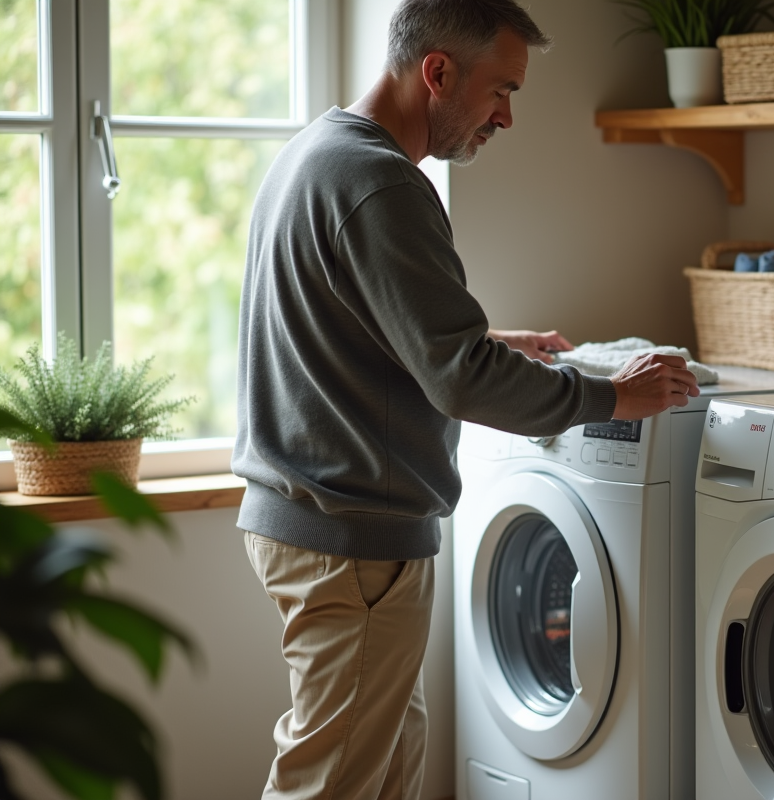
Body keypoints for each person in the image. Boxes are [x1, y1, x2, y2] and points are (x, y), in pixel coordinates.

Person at [231, 1, 700, 798]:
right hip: (352, 537)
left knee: (384, 763)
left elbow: (354, 327)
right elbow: (461, 379)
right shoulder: (382, 181)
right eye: (502, 90)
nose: (507, 117)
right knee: (331, 781)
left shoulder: (317, 152)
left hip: (314, 521)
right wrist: (613, 396)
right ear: (438, 72)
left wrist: (492, 344)